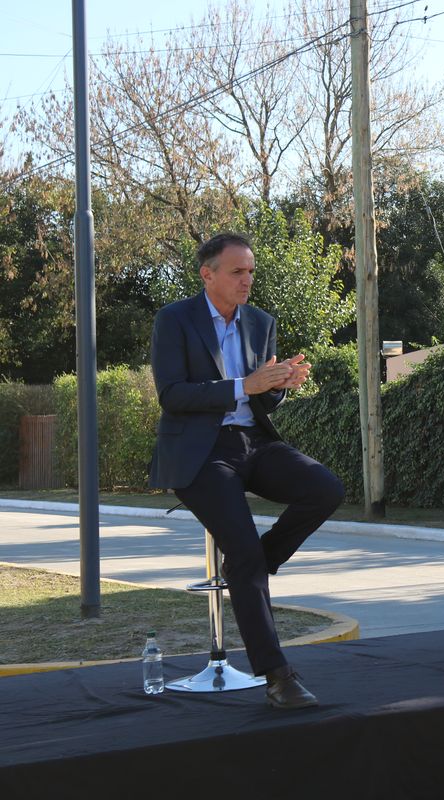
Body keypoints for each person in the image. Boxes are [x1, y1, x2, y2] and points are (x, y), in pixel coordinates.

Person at [149, 233, 345, 709]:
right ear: (208, 274)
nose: (247, 280)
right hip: (199, 453)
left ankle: (257, 561)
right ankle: (278, 676)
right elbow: (172, 394)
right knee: (243, 553)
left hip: (253, 443)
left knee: (325, 488)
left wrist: (281, 383)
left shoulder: (261, 323)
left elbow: (263, 399)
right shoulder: (174, 320)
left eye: (251, 271)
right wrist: (244, 383)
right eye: (237, 272)